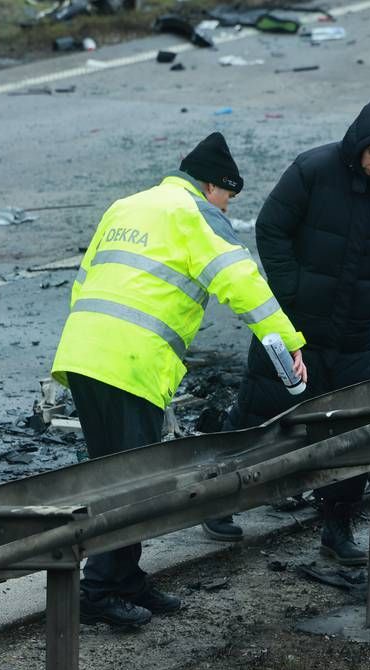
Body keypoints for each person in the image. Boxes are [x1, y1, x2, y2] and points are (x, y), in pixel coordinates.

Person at [50, 132, 308, 627]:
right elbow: (241, 282)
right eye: (229, 197)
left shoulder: (126, 205)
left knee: (115, 474)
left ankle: (125, 579)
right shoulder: (196, 213)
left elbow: (85, 278)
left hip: (84, 355)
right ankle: (98, 590)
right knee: (133, 486)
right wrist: (287, 339)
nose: (228, 207)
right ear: (212, 185)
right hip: (130, 364)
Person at [201, 98, 370, 567]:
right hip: (295, 324)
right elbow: (272, 227)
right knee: (260, 410)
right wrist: (292, 288)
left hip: (356, 332)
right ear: (359, 141)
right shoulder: (314, 169)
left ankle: (336, 528)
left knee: (351, 430)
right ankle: (216, 502)